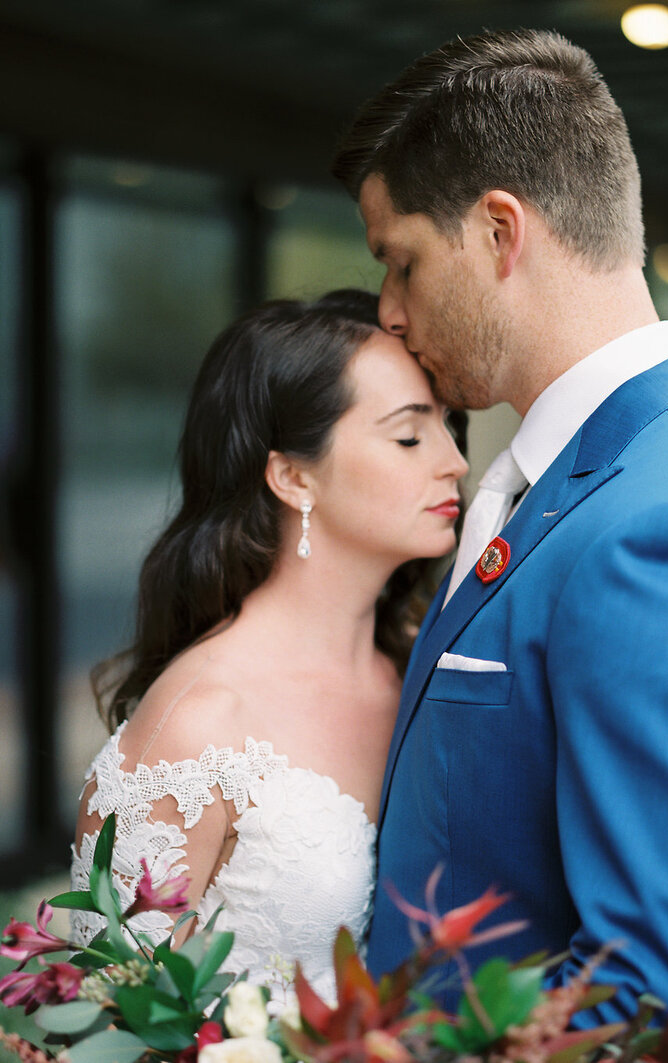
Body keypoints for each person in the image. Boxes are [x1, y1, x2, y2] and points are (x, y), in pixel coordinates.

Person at [332, 28, 668, 1059]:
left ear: (499, 230)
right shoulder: (552, 481)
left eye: (400, 261)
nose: (388, 311)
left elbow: (664, 998)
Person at [70, 289, 468, 1011]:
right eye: (411, 436)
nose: (455, 463)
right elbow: (119, 1019)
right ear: (292, 476)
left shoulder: (426, 667)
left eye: (449, 427)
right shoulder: (198, 723)